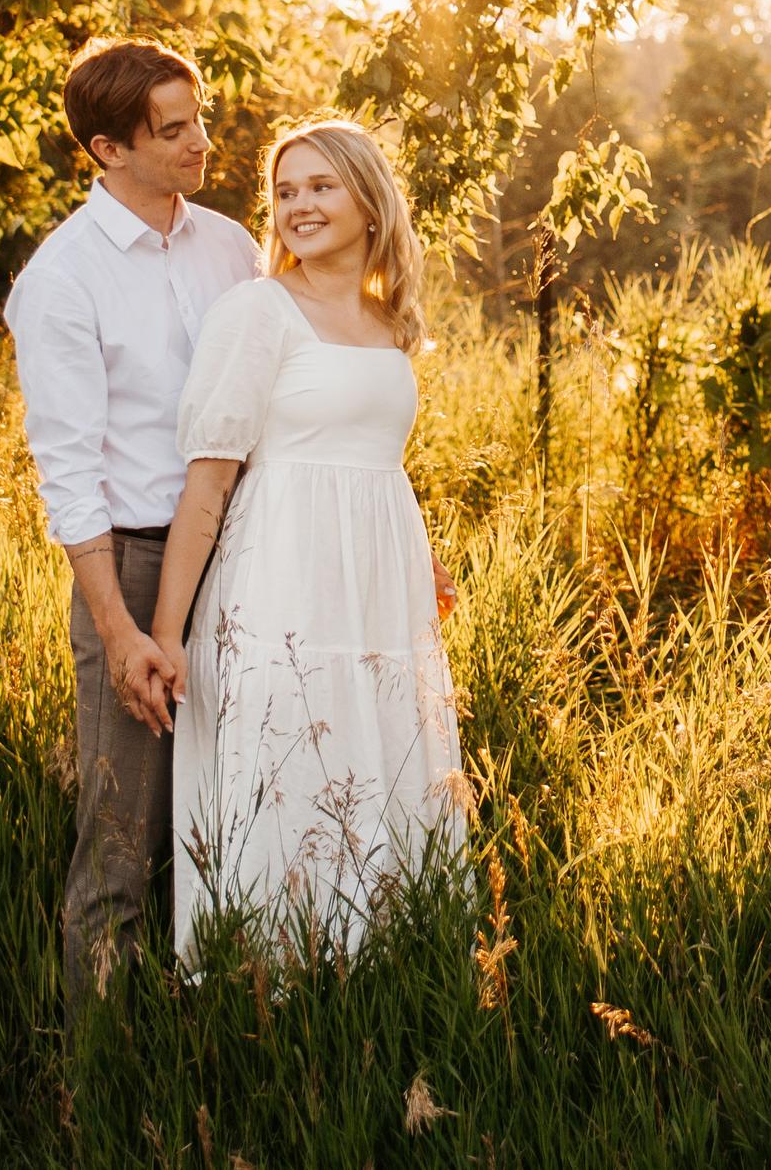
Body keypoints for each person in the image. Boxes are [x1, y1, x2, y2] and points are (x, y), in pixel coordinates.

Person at [149, 118, 465, 966]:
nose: (299, 206)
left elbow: (371, 459)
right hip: (280, 577)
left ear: (369, 200)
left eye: (321, 186)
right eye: (285, 191)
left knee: (375, 755)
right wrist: (168, 635)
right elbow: (209, 486)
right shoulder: (258, 310)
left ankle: (377, 972)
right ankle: (268, 992)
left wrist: (416, 556)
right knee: (289, 761)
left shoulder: (389, 317)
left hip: (376, 586)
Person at [1, 40, 264, 1000]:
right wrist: (118, 630)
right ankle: (100, 1091)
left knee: (244, 819)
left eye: (200, 116)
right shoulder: (63, 279)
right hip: (141, 565)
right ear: (109, 148)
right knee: (119, 845)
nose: (203, 141)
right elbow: (69, 474)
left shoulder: (234, 246)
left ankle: (238, 1038)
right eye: (175, 128)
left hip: (252, 558)